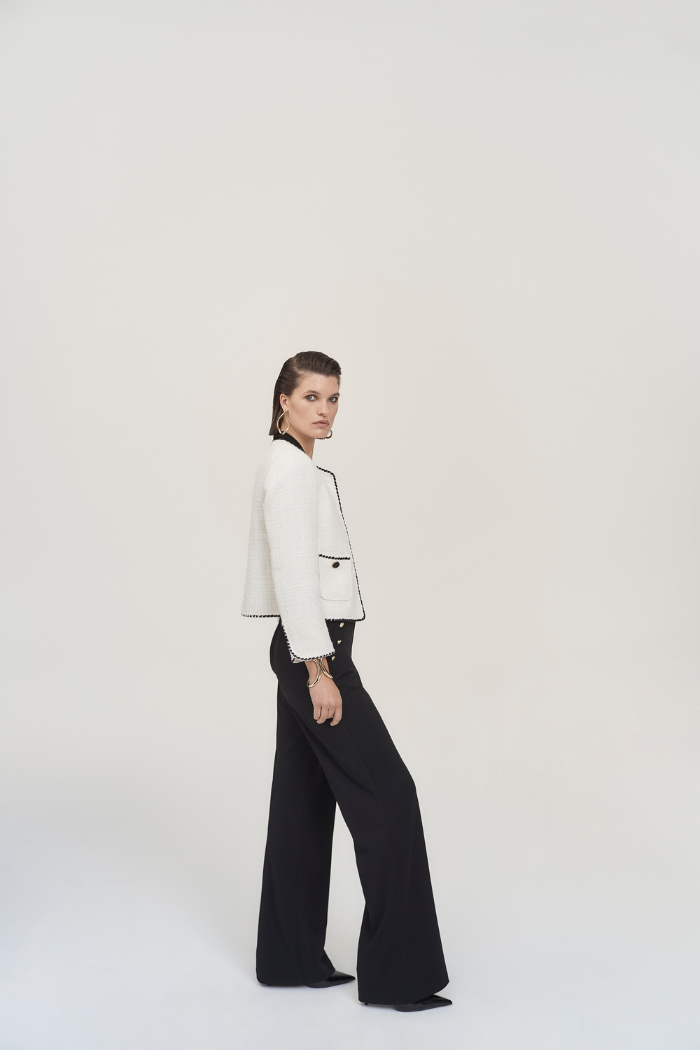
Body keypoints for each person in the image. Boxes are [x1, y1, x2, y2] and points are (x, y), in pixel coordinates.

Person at [241, 351, 450, 1011]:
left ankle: (289, 959)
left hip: (308, 649)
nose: (325, 410)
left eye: (333, 398)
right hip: (316, 654)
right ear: (283, 401)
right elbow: (295, 576)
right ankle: (398, 977)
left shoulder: (293, 465)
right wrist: (318, 670)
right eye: (311, 397)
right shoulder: (290, 471)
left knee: (301, 803)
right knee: (391, 797)